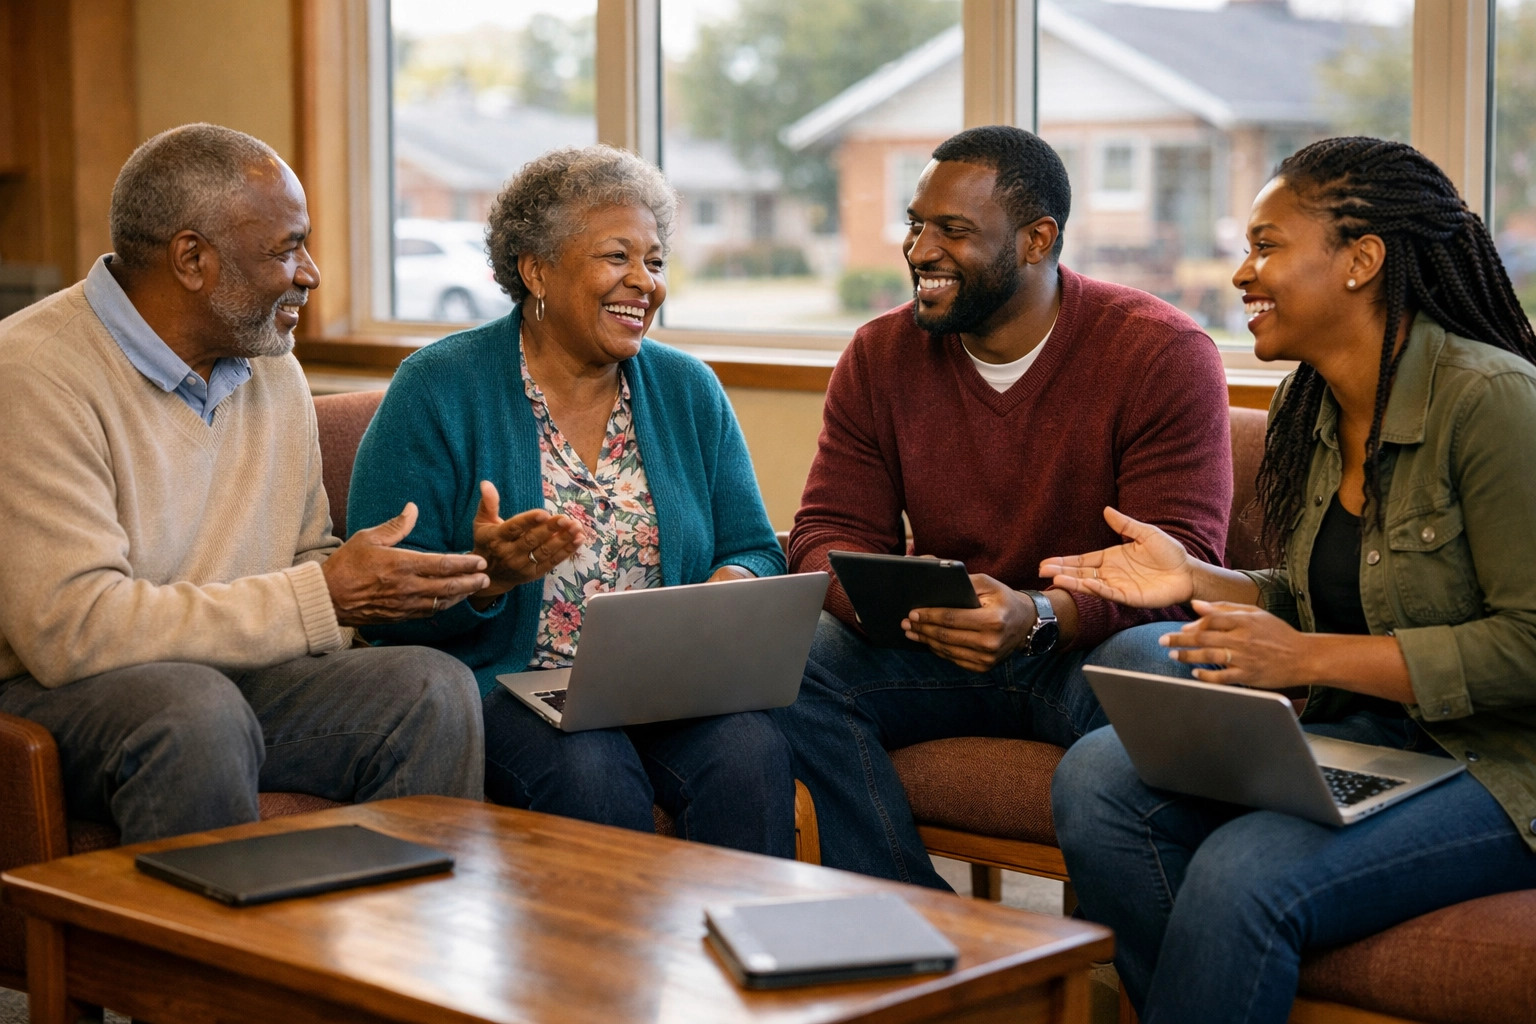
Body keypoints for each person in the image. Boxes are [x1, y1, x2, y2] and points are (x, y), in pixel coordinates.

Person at [1042, 137, 1536, 1024]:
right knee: (1099, 781)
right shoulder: (1318, 407)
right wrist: (1197, 578)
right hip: (1369, 739)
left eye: (1267, 245)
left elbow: (1528, 645)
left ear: (1362, 261)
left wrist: (1306, 655)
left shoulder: (1493, 400)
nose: (1241, 272)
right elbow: (1334, 595)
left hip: (1502, 767)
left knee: (1244, 872)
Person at [770, 124, 1233, 888]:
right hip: (933, 643)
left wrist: (1039, 613)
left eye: (952, 231)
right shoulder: (879, 355)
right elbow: (827, 528)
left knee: (1166, 674)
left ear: (1035, 239)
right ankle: (920, 937)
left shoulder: (1160, 352)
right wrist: (905, 607)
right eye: (916, 225)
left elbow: (1185, 560)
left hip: (1084, 645)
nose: (920, 251)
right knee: (787, 661)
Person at [0, 124, 490, 844]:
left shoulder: (270, 366)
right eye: (285, 248)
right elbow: (71, 629)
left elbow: (304, 559)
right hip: (61, 693)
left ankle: (391, 948)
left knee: (430, 689)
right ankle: (209, 961)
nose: (311, 272)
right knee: (193, 710)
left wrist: (398, 585)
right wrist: (321, 595)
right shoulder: (34, 375)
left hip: (230, 675)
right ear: (192, 259)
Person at [347, 145, 796, 856]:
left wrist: (722, 593)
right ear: (536, 271)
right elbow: (380, 607)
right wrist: (486, 578)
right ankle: (602, 969)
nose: (643, 283)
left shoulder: (687, 389)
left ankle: (752, 956)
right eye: (616, 257)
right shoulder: (437, 388)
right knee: (590, 770)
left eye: (654, 262)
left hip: (667, 686)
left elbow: (755, 545)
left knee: (751, 754)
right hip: (512, 687)